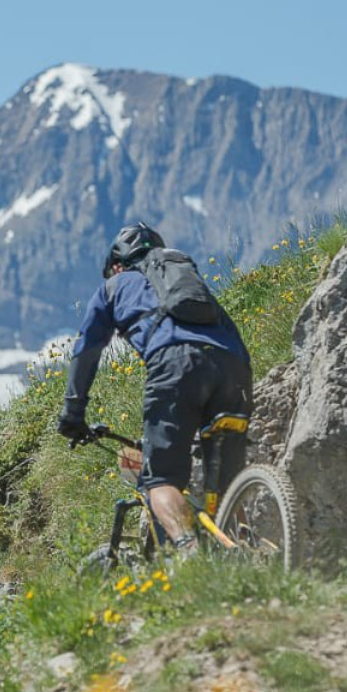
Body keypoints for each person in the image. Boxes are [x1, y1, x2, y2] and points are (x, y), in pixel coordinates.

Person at [55, 223, 252, 554]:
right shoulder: (187, 284)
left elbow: (86, 351)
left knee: (160, 479)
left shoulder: (113, 287)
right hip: (234, 367)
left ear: (118, 264)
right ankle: (249, 552)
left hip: (175, 362)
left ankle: (191, 556)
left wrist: (73, 414)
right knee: (229, 485)